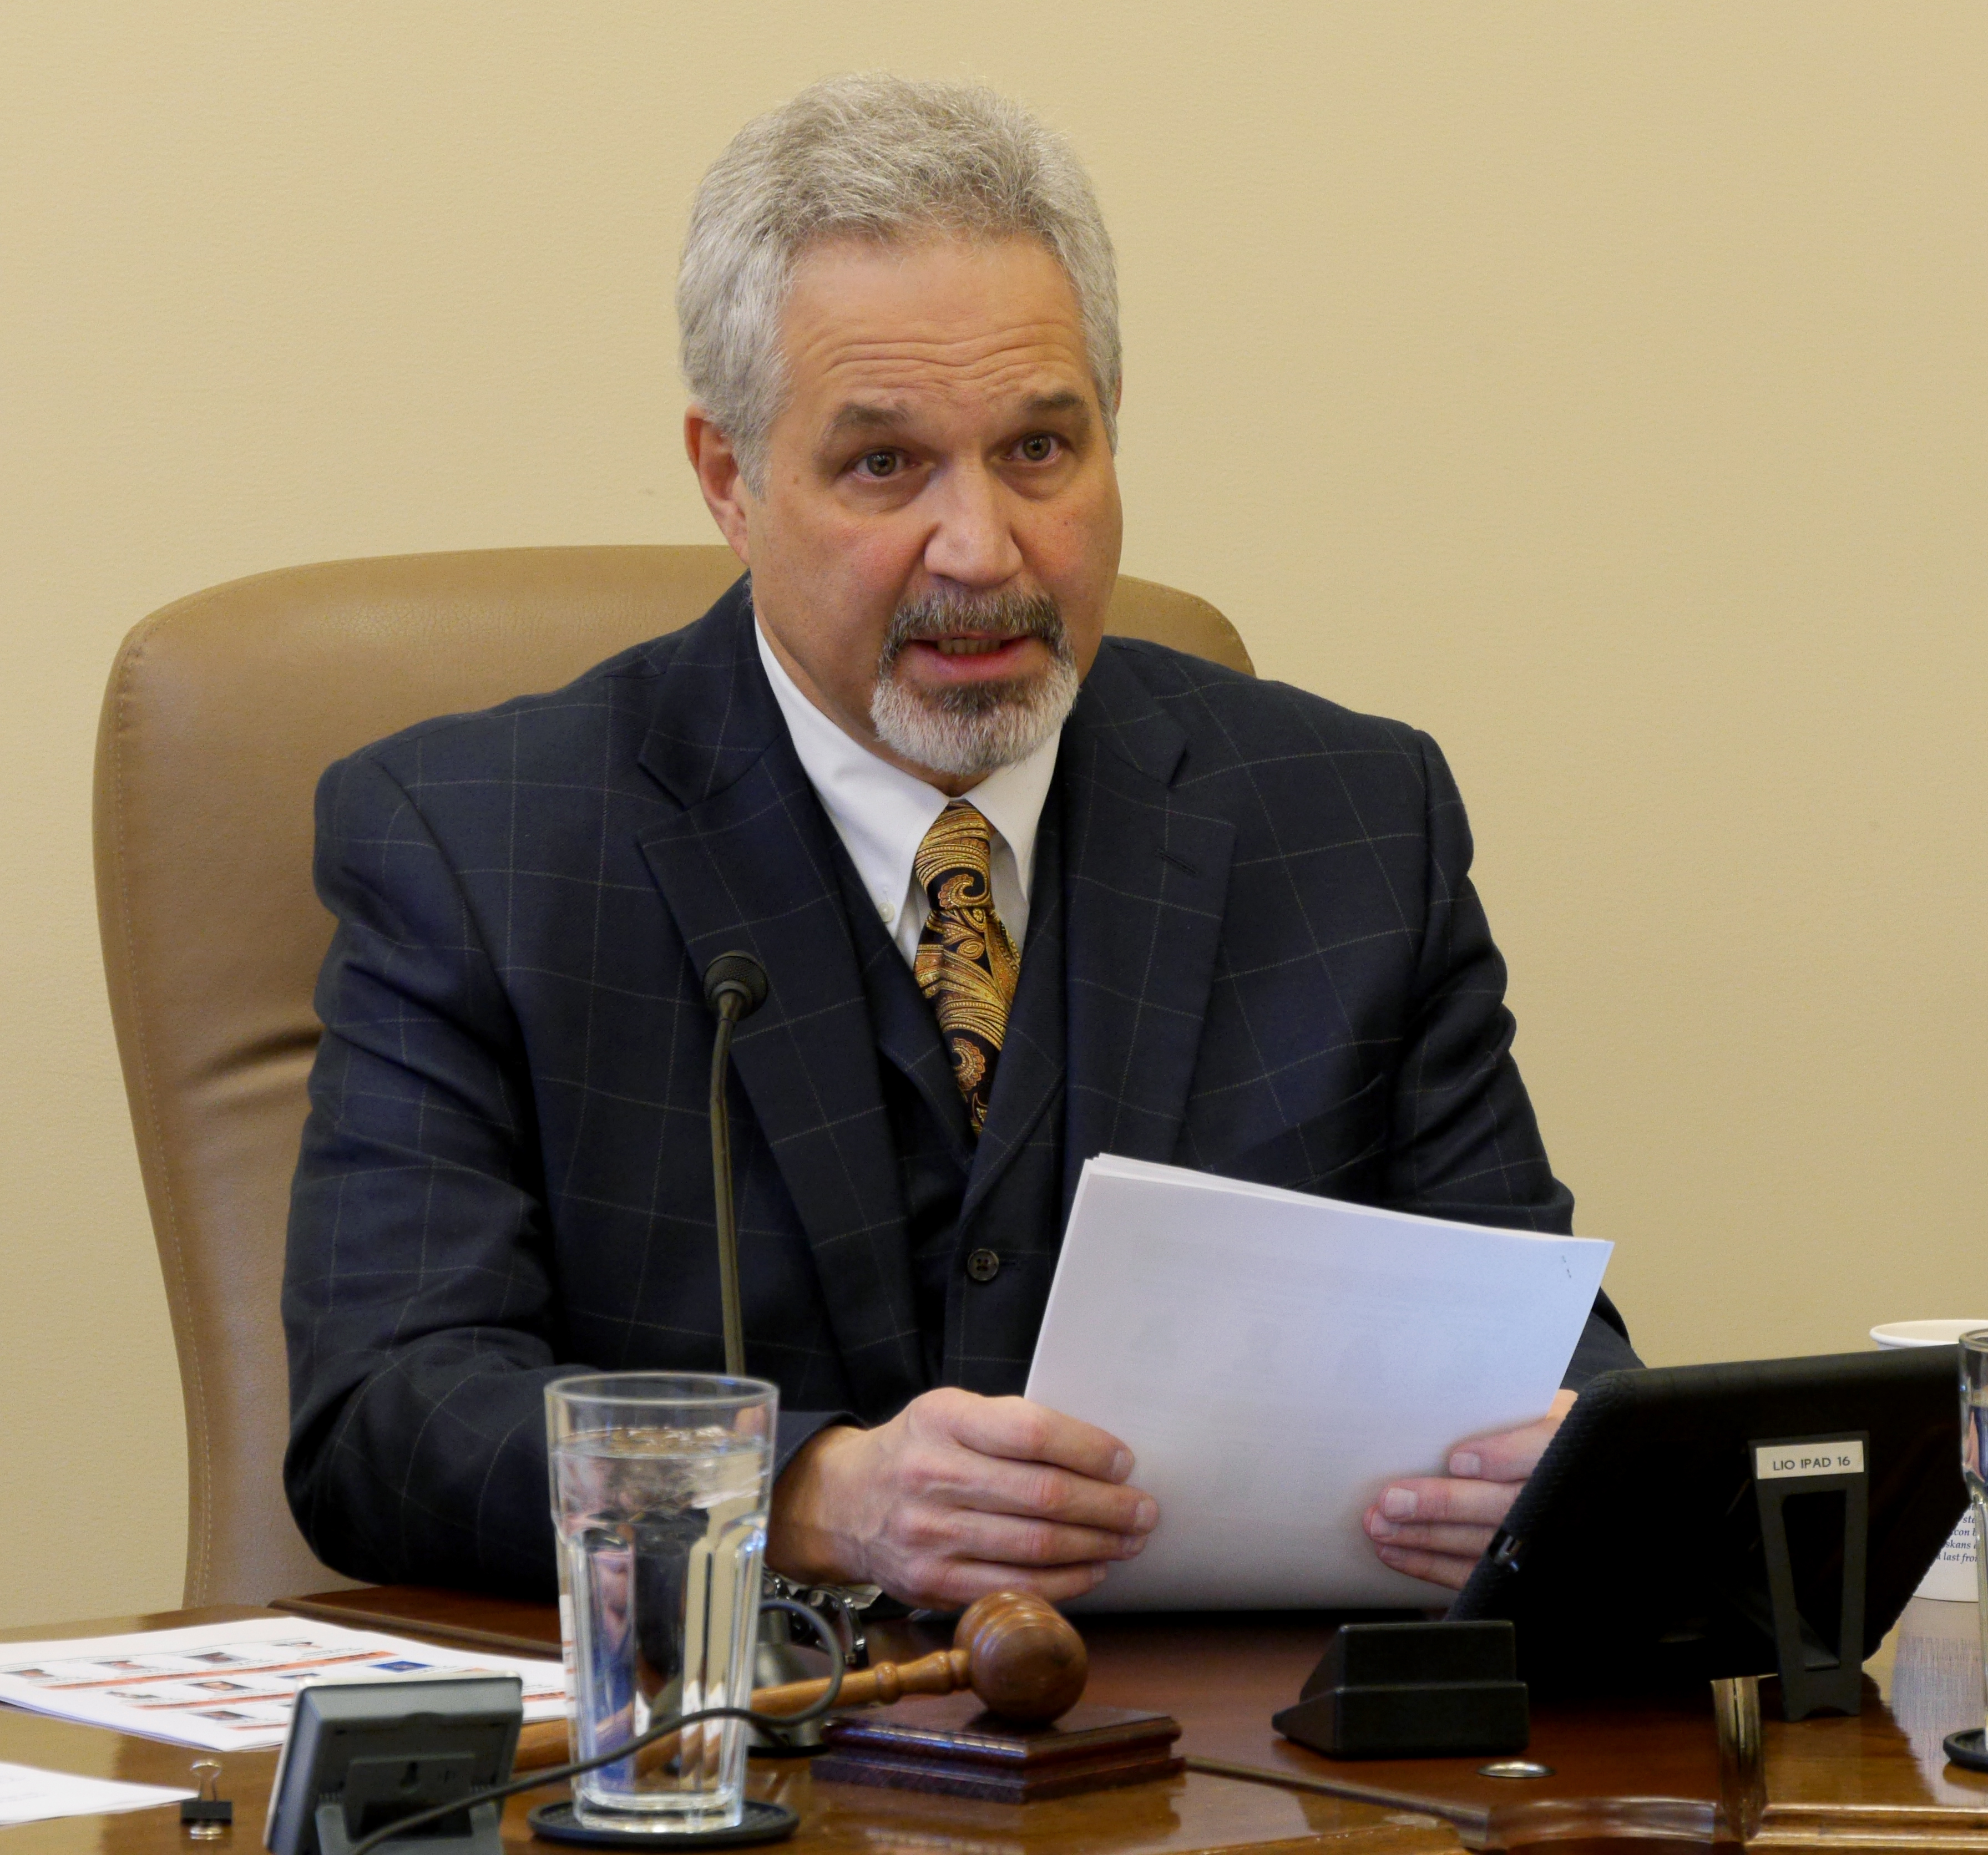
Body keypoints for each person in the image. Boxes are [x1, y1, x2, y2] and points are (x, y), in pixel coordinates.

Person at [282, 73, 1639, 1609]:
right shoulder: (478, 846)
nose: (984, 550)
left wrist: (1552, 1465)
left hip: (1233, 1778)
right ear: (730, 479)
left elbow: (1538, 1335)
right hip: (726, 1775)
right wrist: (807, 1494)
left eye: (1041, 451)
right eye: (884, 466)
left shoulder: (1347, 822)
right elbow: (383, 1416)